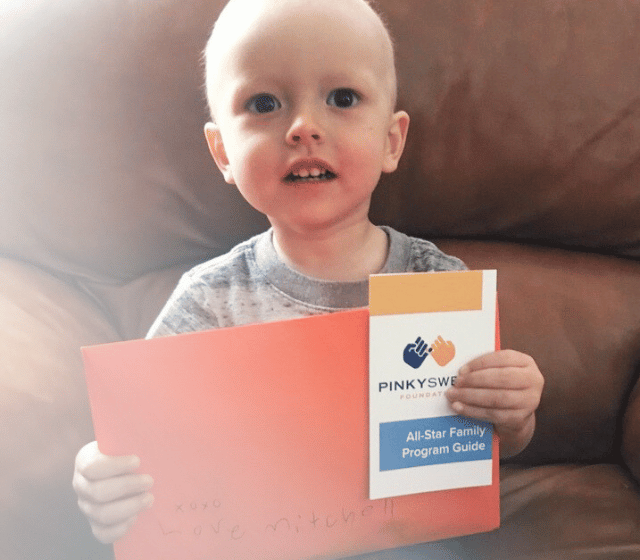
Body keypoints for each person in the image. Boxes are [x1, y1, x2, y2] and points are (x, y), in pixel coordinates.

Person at [73, 0, 544, 545]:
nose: (304, 127)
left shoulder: (437, 286)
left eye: (342, 98)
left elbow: (492, 444)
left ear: (391, 140)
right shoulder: (209, 301)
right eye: (264, 102)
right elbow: (143, 441)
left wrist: (514, 413)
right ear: (223, 151)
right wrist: (104, 474)